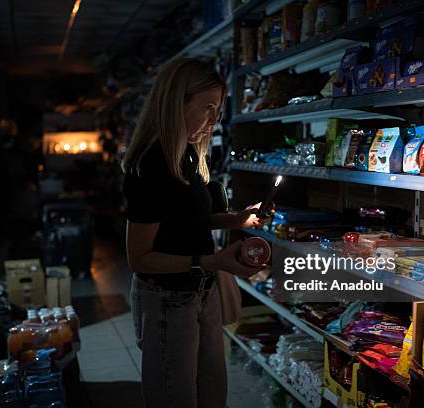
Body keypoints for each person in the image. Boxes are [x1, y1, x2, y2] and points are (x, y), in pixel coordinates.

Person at [122, 58, 270, 408]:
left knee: (212, 393)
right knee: (176, 397)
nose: (213, 120)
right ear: (177, 102)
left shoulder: (186, 154)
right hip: (168, 302)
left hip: (201, 292)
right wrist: (211, 260)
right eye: (206, 108)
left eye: (217, 110)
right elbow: (139, 259)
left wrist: (235, 220)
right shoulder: (149, 166)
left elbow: (188, 221)